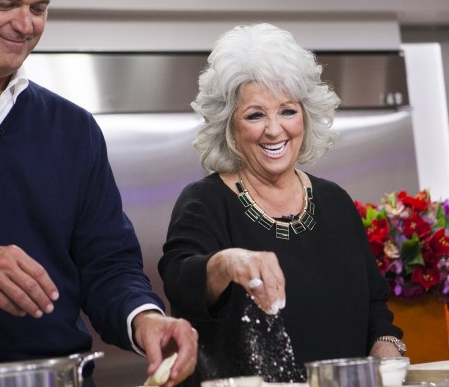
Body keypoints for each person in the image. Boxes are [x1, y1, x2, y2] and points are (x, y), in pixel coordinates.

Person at [0, 0, 196, 384]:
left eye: (38, 8)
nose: (25, 25)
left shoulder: (74, 127)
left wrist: (144, 319)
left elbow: (108, 264)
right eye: (6, 3)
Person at [158, 23, 404, 384]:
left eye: (287, 111)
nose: (274, 129)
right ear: (229, 127)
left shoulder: (334, 201)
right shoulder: (205, 202)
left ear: (305, 115)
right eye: (255, 115)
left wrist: (387, 348)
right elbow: (180, 285)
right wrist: (228, 263)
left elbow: (375, 306)